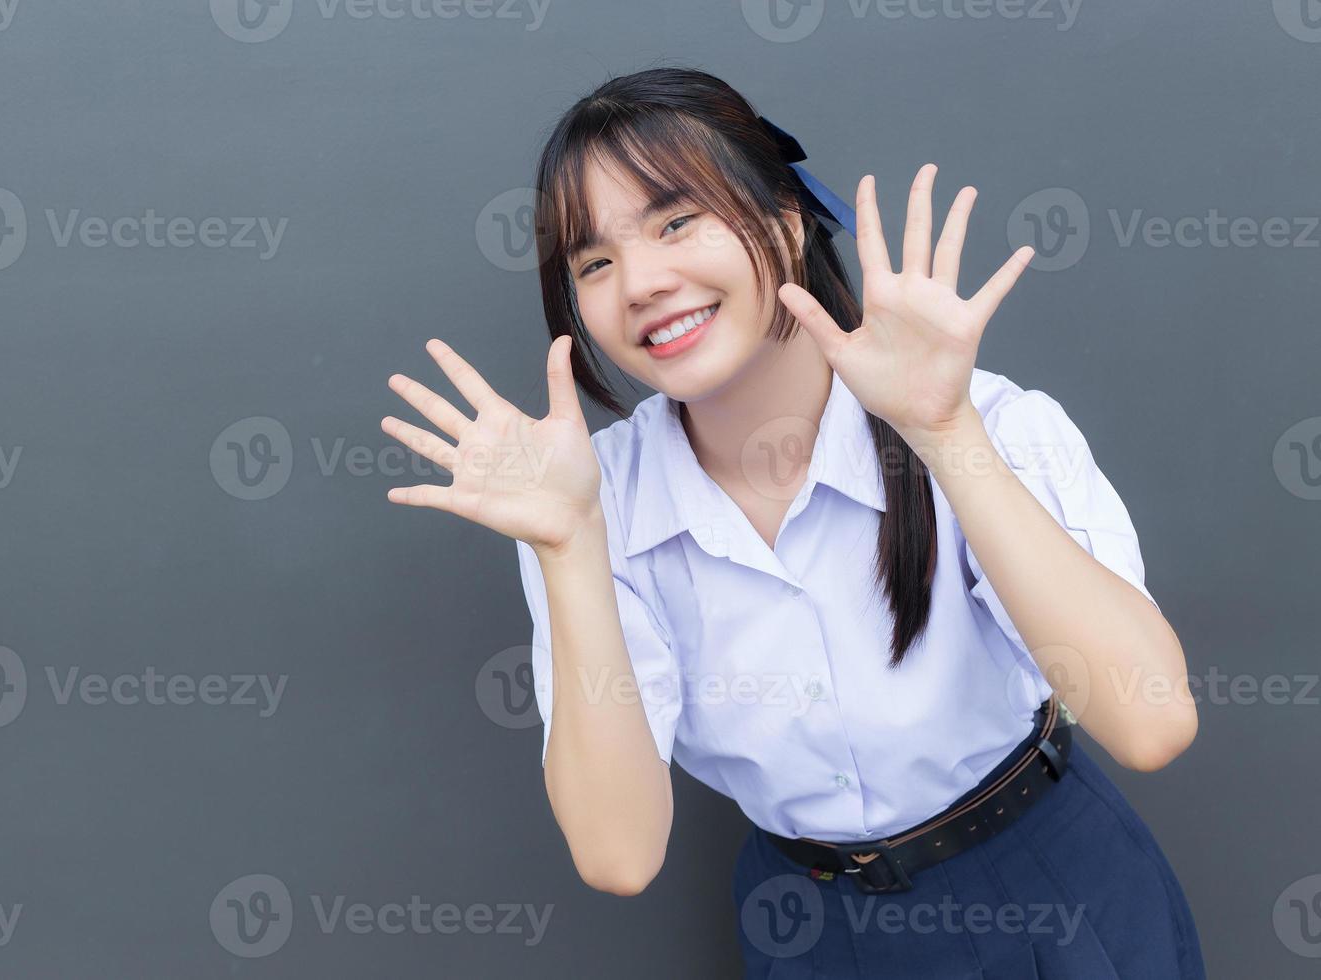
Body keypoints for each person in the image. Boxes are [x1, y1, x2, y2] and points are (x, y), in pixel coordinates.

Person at [381, 66, 1205, 978]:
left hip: (1051, 888)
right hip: (808, 930)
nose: (643, 282)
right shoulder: (584, 502)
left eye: (675, 222)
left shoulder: (989, 420)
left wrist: (945, 433)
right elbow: (619, 855)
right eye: (595, 262)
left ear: (781, 220)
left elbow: (1151, 725)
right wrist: (570, 549)